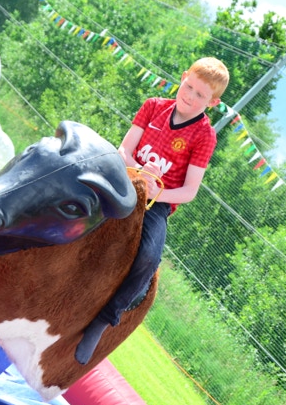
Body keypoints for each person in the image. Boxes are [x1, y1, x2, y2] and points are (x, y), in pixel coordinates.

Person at [75, 57, 230, 365]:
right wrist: (139, 171)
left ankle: (105, 318)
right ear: (183, 77)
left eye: (200, 95)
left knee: (148, 257)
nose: (190, 95)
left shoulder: (204, 136)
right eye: (189, 86)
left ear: (212, 102)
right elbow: (124, 150)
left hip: (155, 204)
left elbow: (189, 191)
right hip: (124, 179)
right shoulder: (153, 106)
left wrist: (155, 189)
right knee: (72, 179)